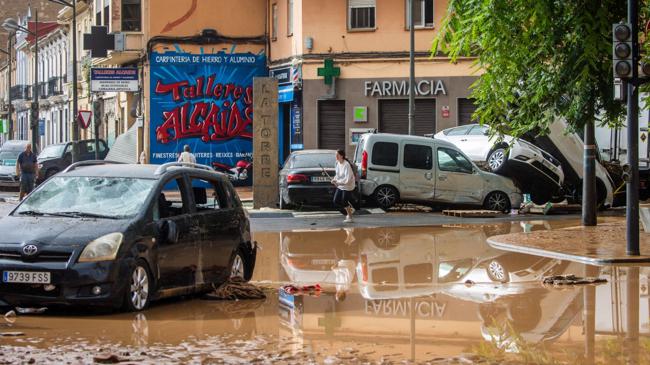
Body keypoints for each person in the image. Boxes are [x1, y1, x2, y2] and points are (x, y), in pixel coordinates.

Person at [331, 149, 359, 223]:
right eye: (335, 155)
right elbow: (337, 174)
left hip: (348, 185)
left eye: (337, 155)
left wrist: (338, 182)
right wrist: (334, 179)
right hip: (341, 185)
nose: (336, 156)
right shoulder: (337, 163)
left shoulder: (346, 165)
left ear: (342, 156)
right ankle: (350, 209)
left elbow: (347, 180)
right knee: (336, 200)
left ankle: (350, 217)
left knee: (344, 201)